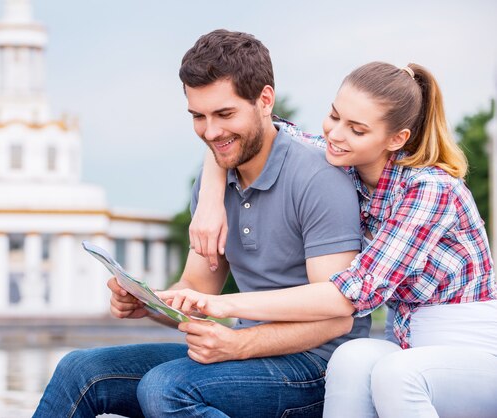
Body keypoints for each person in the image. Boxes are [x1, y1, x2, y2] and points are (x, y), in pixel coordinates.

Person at [32, 29, 371, 418]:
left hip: (316, 368)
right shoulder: (212, 185)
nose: (210, 132)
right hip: (244, 349)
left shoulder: (317, 177)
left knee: (166, 390)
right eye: (198, 116)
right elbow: (197, 289)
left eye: (225, 114)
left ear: (264, 100)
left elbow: (336, 318)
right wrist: (152, 302)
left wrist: (237, 344)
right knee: (79, 370)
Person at [161, 61, 497, 417]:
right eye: (334, 116)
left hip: (472, 355)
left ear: (397, 139)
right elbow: (242, 136)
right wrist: (211, 200)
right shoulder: (343, 160)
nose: (336, 134)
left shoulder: (431, 190)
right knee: (350, 358)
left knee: (397, 375)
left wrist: (225, 305)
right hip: (407, 343)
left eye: (357, 128)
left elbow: (353, 292)